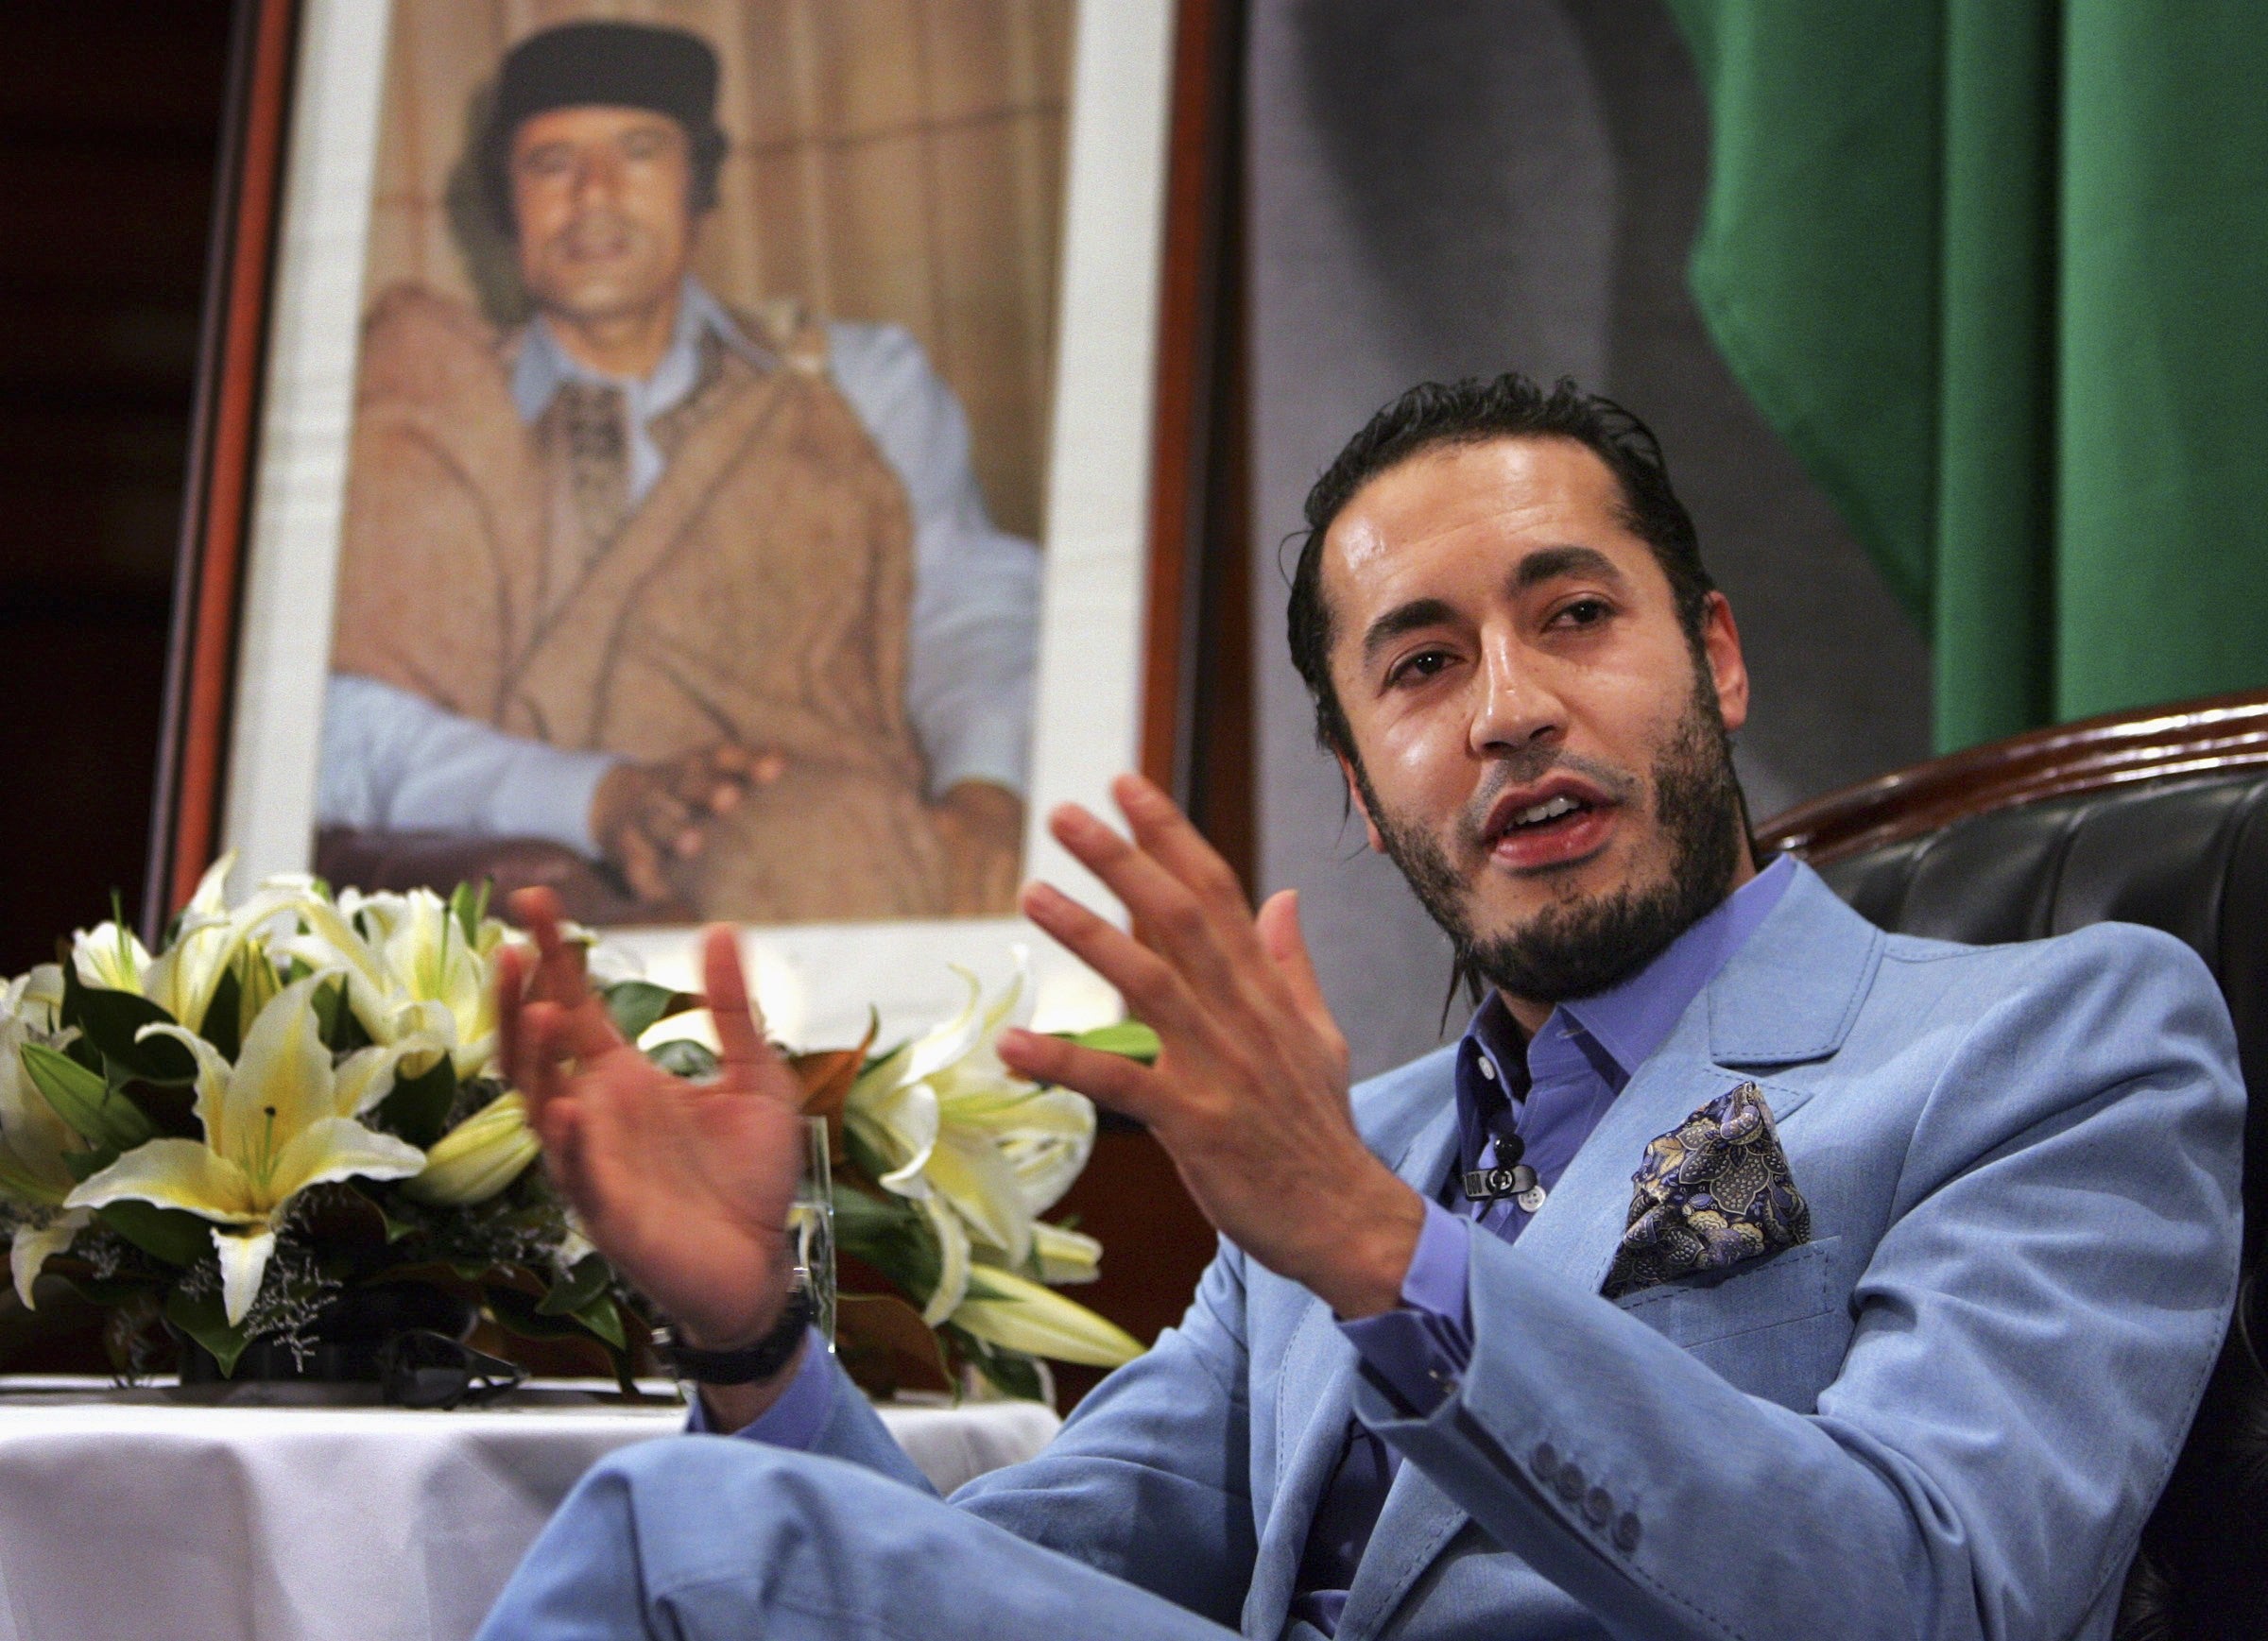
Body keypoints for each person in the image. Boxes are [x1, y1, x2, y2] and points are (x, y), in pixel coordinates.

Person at [475, 375, 2243, 1640]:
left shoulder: (2063, 1038)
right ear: (1357, 779)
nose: (1510, 709)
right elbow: (969, 1579)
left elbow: (1937, 1590)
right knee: (696, 1525)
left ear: (1712, 658)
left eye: (1574, 615)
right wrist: (754, 1343)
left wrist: (1391, 1253)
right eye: (1420, 665)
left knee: (657, 1529)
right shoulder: (1350, 1161)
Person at [319, 20, 1039, 921]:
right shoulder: (436, 412)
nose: (594, 194)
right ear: (507, 202)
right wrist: (598, 797)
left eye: (638, 151)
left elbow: (967, 606)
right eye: (551, 162)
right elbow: (341, 729)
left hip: (838, 867)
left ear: (698, 183)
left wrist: (989, 789)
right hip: (543, 904)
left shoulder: (855, 383)